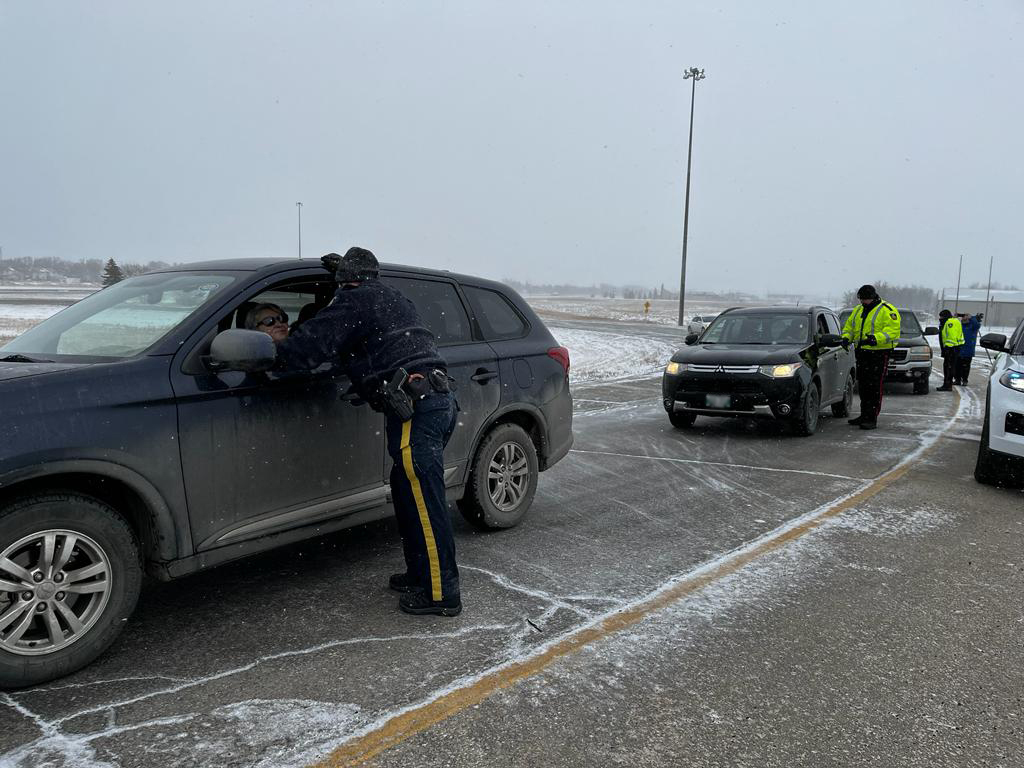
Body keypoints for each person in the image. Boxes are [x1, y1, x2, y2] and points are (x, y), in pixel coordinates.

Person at [273, 247, 462, 617]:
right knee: (409, 497)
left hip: (416, 407)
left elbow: (308, 349)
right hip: (436, 401)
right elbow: (376, 323)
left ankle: (442, 594)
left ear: (348, 281)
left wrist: (272, 351)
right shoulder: (390, 296)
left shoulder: (356, 300)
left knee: (425, 504)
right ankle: (420, 575)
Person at [841, 284, 901, 430]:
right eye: (861, 299)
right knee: (863, 386)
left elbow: (893, 331)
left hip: (879, 353)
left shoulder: (887, 310)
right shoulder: (858, 310)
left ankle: (871, 418)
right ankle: (864, 415)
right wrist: (846, 338)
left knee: (874, 386)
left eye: (865, 299)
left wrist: (875, 338)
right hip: (862, 352)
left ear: (873, 297)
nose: (863, 302)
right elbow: (849, 327)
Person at [936, 309, 965, 391]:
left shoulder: (950, 323)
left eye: (941, 317)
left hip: (951, 348)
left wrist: (948, 348)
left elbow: (951, 336)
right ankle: (948, 384)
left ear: (945, 316)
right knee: (950, 366)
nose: (940, 319)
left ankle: (947, 385)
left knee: (948, 367)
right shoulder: (954, 321)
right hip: (955, 348)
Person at [955, 312, 982, 385]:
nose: (964, 317)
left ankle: (964, 380)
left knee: (966, 366)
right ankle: (957, 380)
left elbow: (977, 325)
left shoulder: (972, 326)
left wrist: (972, 317)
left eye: (966, 316)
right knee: (957, 366)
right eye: (963, 316)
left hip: (968, 350)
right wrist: (954, 318)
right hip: (959, 348)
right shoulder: (959, 325)